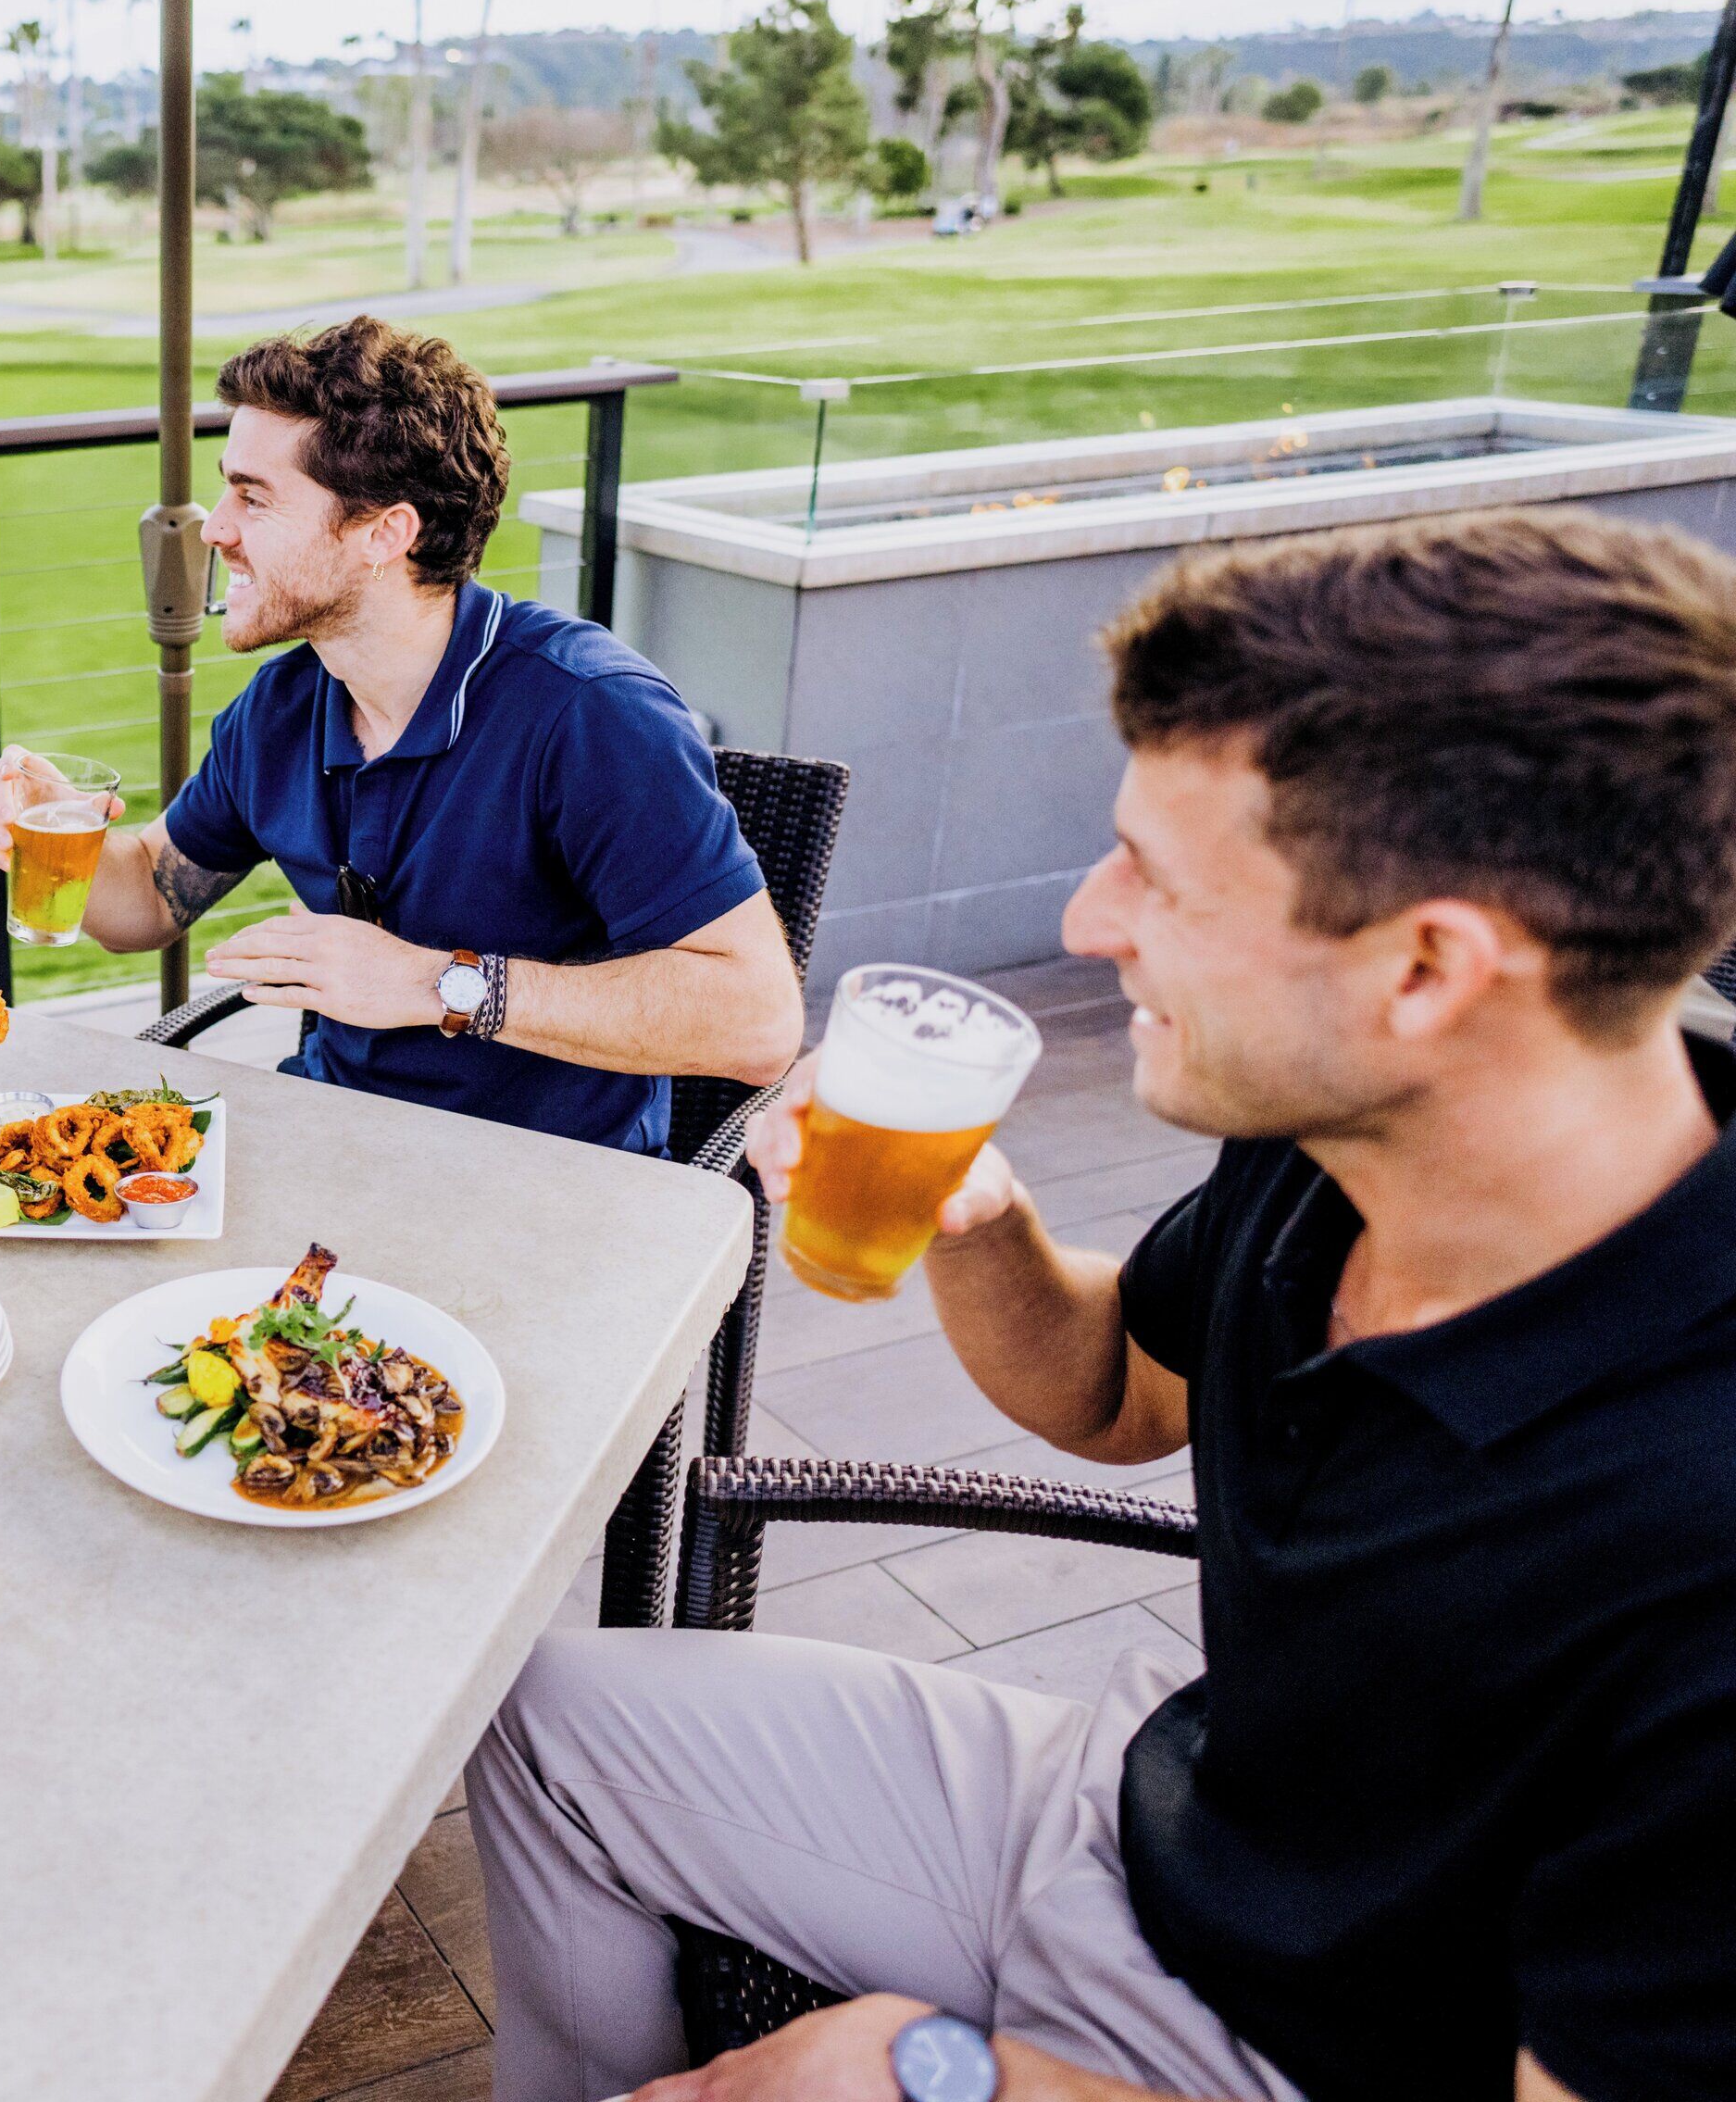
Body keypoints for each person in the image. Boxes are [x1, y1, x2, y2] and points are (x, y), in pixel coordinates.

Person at [464, 511, 1736, 2102]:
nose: (1086, 922)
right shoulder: (1347, 1135)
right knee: (543, 1715)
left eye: (1160, 878)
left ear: (1426, 969)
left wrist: (945, 2078)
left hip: (1323, 2056)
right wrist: (975, 1223)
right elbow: (1112, 1397)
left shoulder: (1696, 1533)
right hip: (1158, 1819)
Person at [0, 318, 799, 1154]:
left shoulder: (589, 715)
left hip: (551, 1191)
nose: (215, 530)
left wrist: (431, 982)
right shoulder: (282, 707)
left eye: (253, 498)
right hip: (333, 1143)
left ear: (383, 535)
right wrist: (54, 833)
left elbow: (756, 1023)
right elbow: (149, 896)